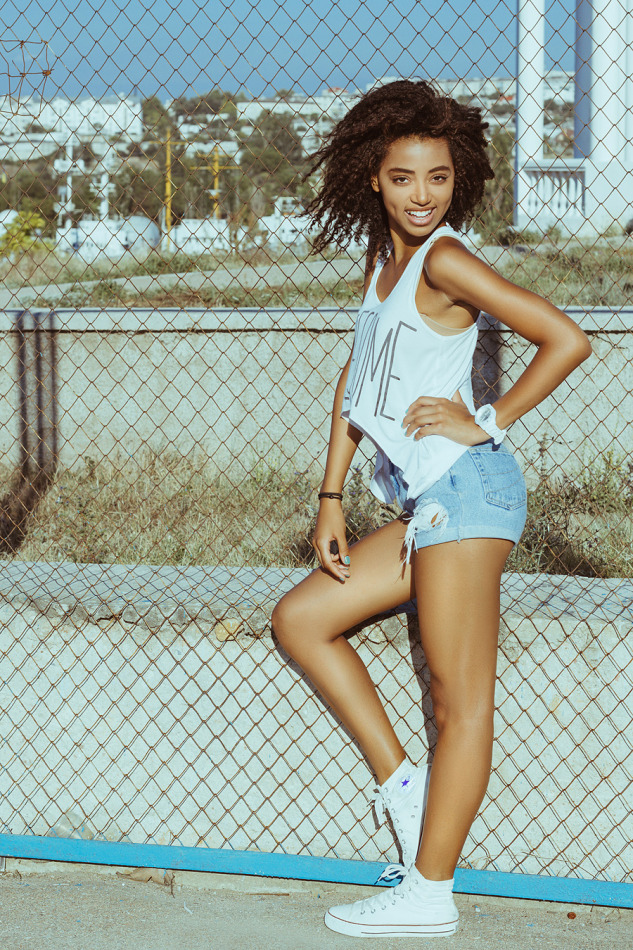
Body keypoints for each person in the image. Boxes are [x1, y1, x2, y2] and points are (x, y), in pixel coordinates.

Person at [271, 79, 591, 939]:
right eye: (404, 177)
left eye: (439, 178)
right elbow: (356, 380)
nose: (422, 195)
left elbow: (565, 338)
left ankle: (430, 891)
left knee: (459, 699)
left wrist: (484, 418)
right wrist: (331, 493)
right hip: (423, 502)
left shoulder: (445, 258)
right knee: (302, 617)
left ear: (460, 180)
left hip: (467, 491)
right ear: (371, 178)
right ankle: (403, 789)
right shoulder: (383, 261)